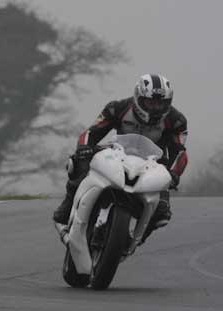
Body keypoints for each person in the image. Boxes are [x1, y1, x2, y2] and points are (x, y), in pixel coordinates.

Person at [53, 74, 188, 238]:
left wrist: (173, 174)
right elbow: (90, 133)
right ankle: (67, 207)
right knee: (78, 160)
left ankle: (137, 238)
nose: (155, 108)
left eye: (160, 103)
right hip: (117, 152)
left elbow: (180, 152)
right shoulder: (117, 108)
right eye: (150, 102)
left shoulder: (176, 121)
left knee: (162, 214)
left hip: (154, 164)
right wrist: (84, 148)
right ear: (139, 97)